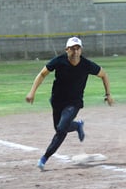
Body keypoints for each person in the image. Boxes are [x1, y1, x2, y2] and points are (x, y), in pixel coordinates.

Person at [26, 36, 114, 171]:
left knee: (61, 130)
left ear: (81, 50)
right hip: (57, 101)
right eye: (72, 48)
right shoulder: (59, 61)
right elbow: (42, 74)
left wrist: (108, 94)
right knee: (59, 128)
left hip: (74, 103)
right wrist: (32, 92)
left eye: (78, 48)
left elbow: (104, 75)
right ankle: (78, 125)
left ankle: (44, 158)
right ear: (67, 50)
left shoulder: (86, 64)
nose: (75, 51)